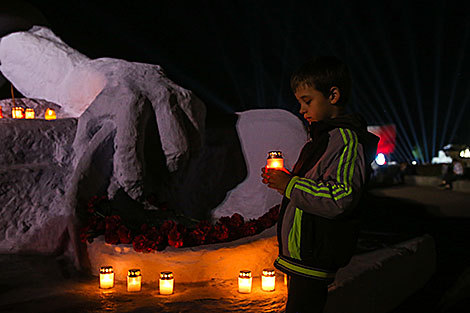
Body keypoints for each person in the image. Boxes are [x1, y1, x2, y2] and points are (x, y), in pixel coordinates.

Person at [261, 56, 379, 313]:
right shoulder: (322, 139)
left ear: (333, 95)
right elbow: (317, 185)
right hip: (303, 258)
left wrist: (291, 185)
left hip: (314, 257)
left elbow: (341, 196)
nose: (301, 110)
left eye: (307, 101)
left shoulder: (346, 140)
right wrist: (286, 181)